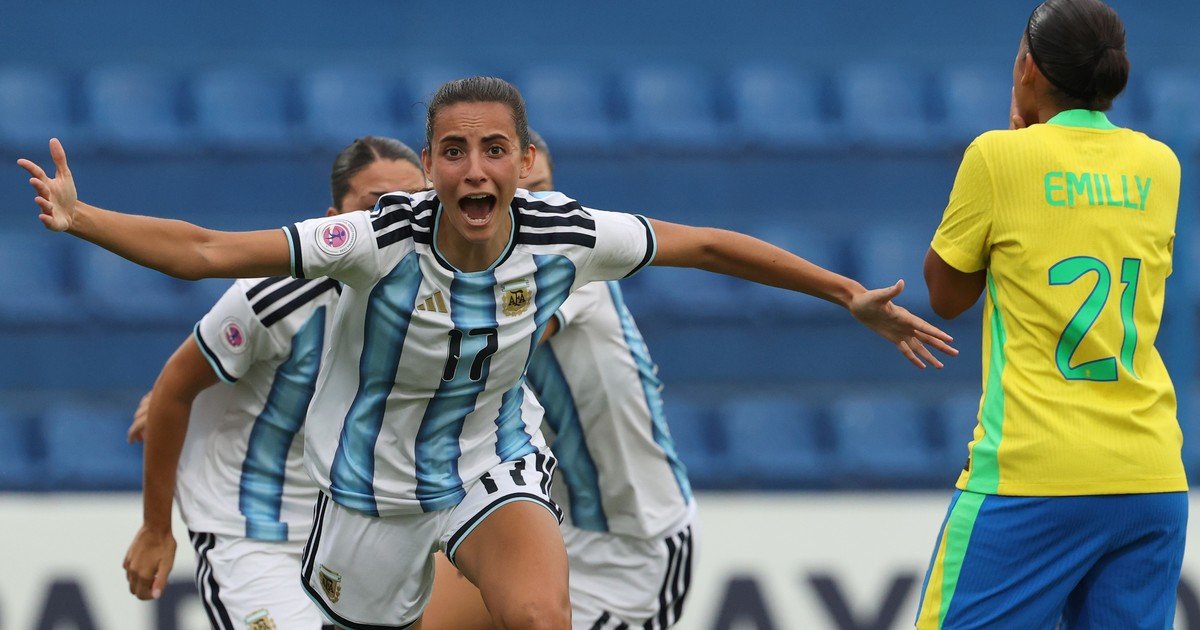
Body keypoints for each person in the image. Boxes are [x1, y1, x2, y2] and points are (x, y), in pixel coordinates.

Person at [20, 76, 955, 630]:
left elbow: (706, 243)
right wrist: (84, 218)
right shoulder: (374, 241)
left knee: (543, 618)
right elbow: (207, 251)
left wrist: (846, 296)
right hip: (369, 492)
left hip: (488, 463)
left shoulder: (564, 232)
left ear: (521, 160)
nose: (476, 169)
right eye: (456, 151)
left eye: (494, 150)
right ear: (431, 166)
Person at [917, 1, 1186, 627]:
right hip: (1150, 477)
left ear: (1029, 69)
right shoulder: (1160, 165)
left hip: (1032, 476)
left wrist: (1018, 148)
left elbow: (946, 295)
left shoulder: (997, 157)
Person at [121, 137, 427, 629]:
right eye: (378, 207)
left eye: (415, 203)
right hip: (252, 529)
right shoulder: (278, 295)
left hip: (353, 533)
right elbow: (178, 384)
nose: (399, 222)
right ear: (335, 220)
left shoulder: (447, 298)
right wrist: (156, 529)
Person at [423, 130, 697, 630]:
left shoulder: (569, 268)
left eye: (545, 190)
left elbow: (466, 353)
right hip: (536, 519)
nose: (537, 206)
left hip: (628, 547)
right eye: (521, 193)